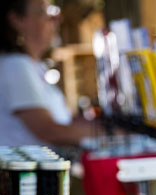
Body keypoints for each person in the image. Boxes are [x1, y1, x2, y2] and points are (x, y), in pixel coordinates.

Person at [0, 0, 95, 147]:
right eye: (47, 12)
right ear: (16, 20)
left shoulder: (31, 66)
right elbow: (49, 131)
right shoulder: (15, 65)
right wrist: (110, 134)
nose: (57, 18)